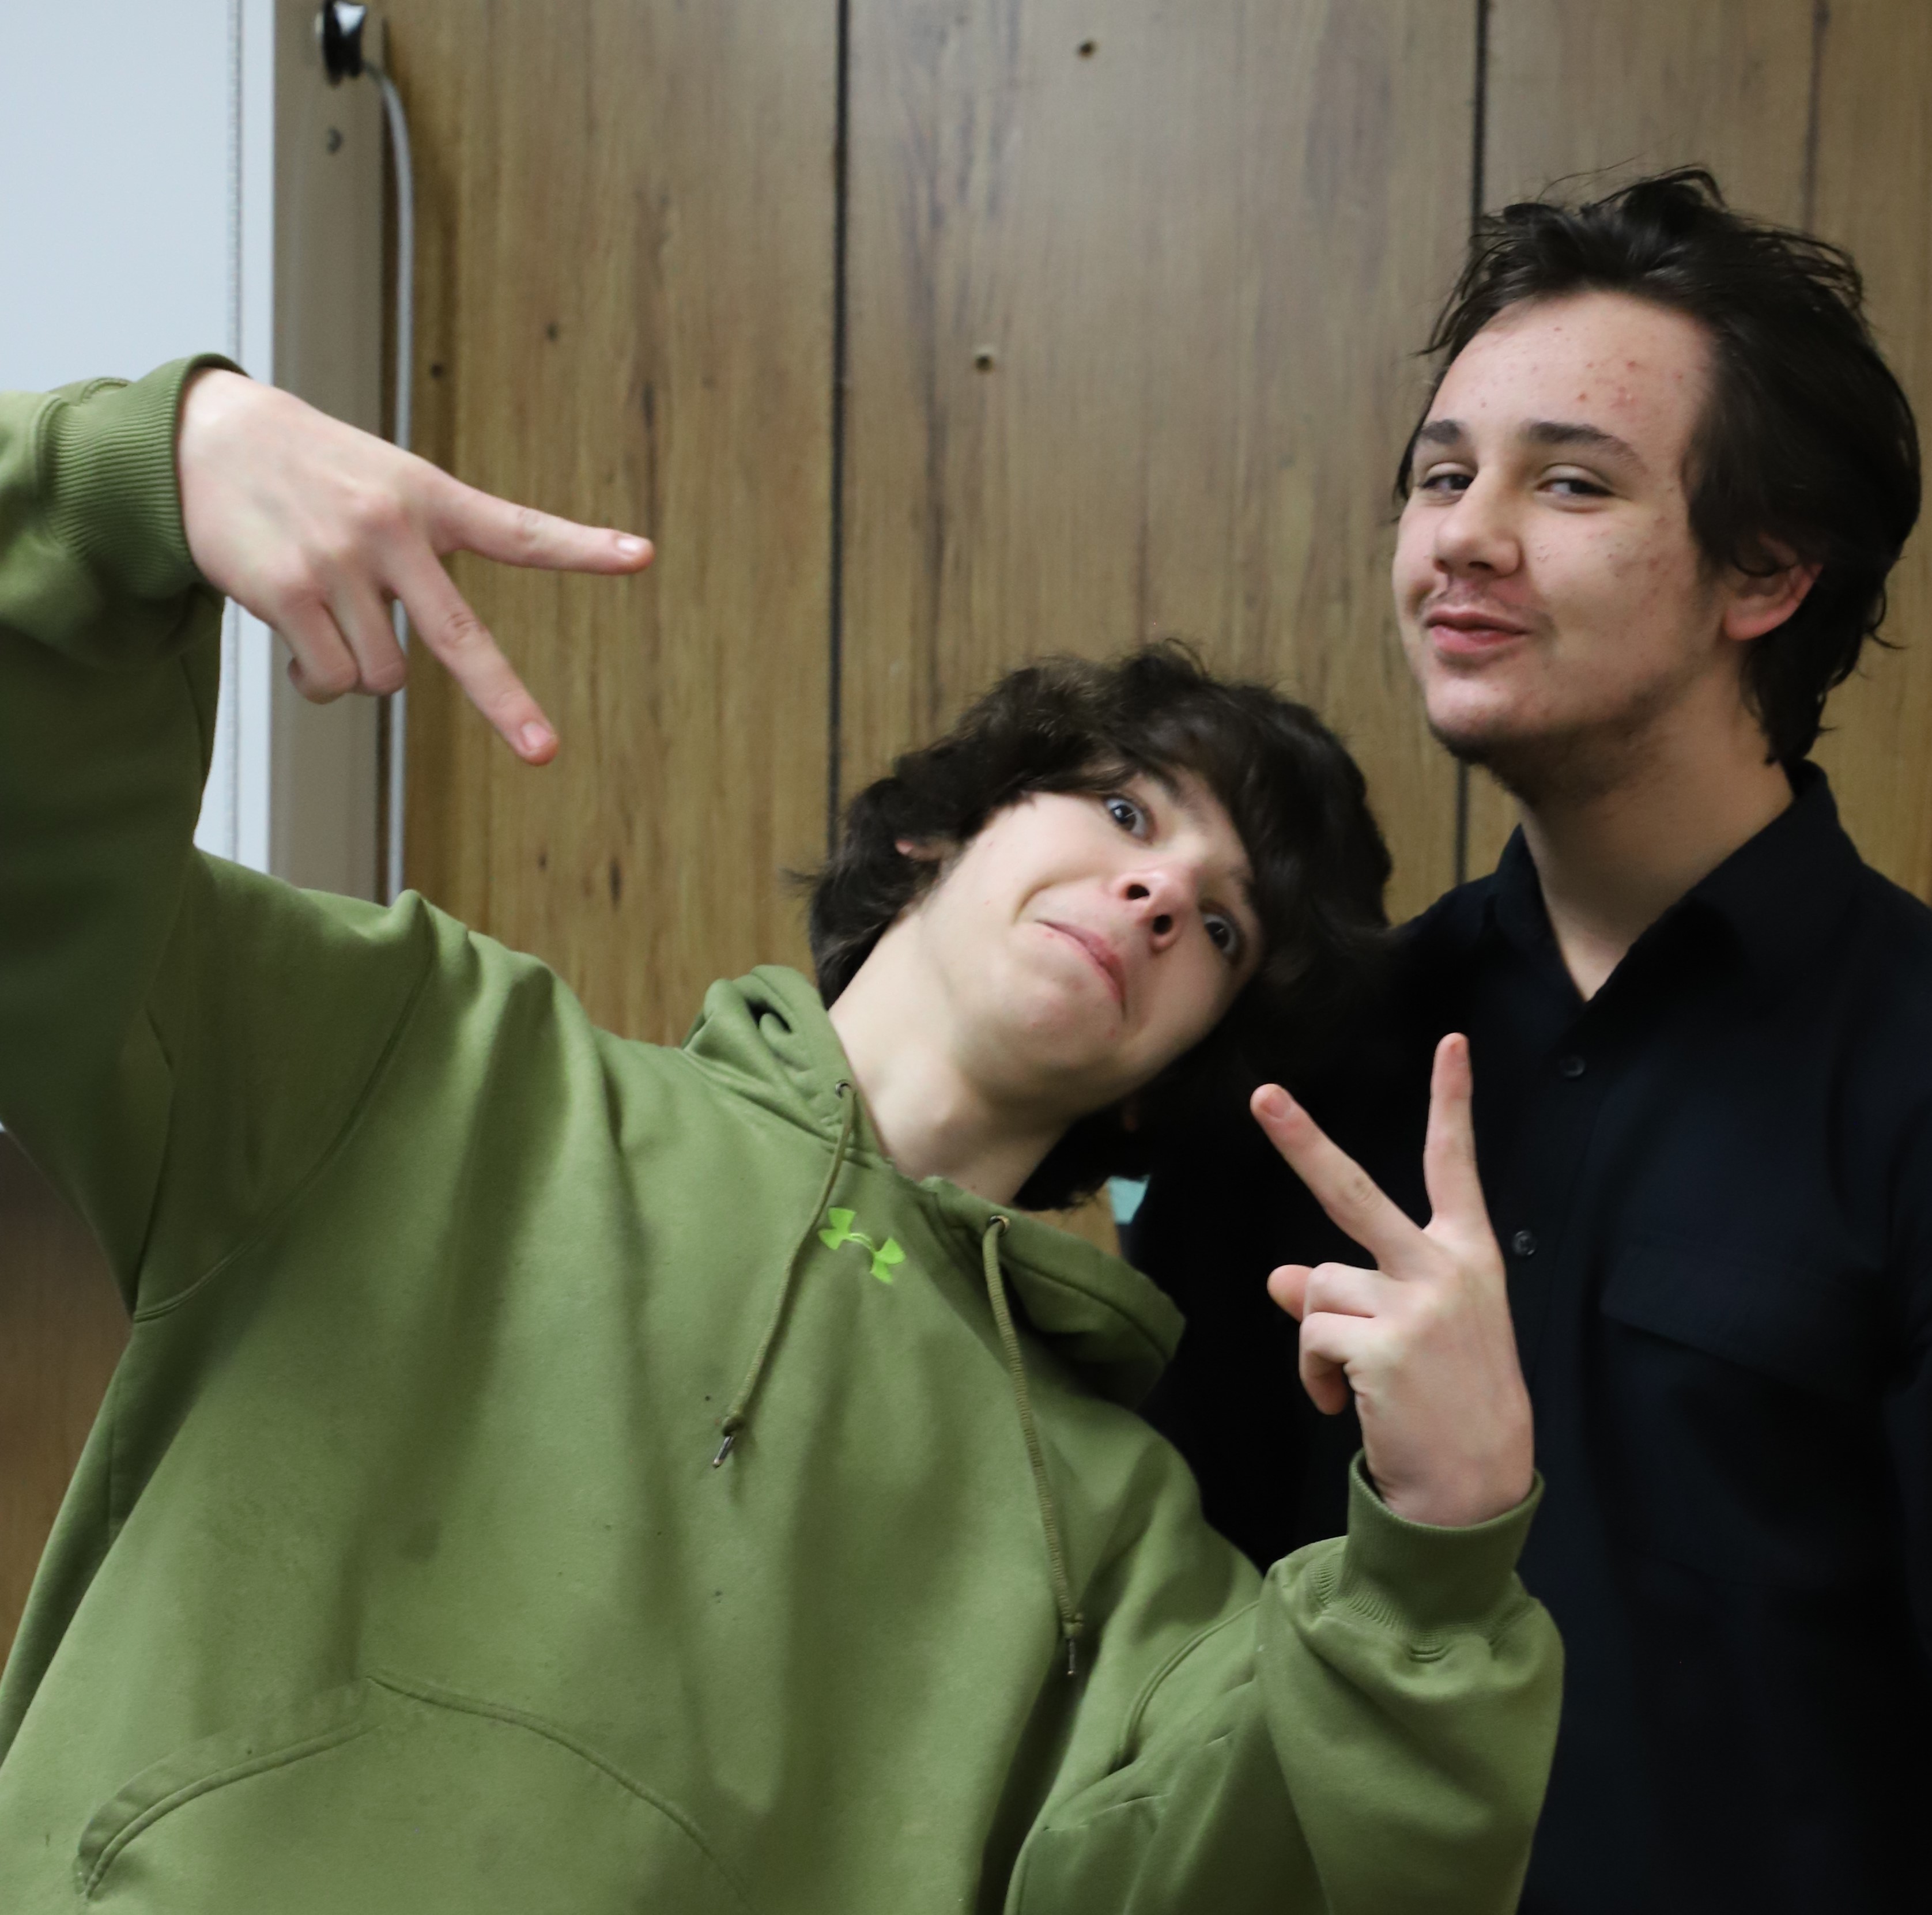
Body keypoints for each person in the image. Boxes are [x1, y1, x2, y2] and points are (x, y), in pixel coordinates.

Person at [0, 358, 1564, 1913]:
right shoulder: (426, 1062)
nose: (1159, 893)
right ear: (933, 834)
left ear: (1171, 1081)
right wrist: (147, 469)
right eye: (1127, 811)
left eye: (1222, 927)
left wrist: (1441, 1549)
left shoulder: (1122, 1548)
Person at [1134, 169, 1932, 1914]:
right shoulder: (1314, 1061)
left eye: (1569, 482)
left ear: (1766, 570)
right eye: (1441, 475)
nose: (1464, 535)